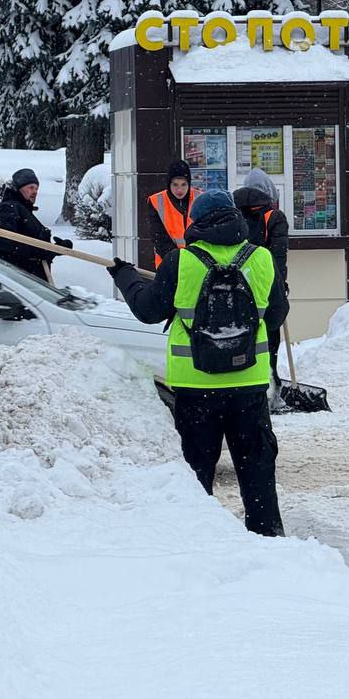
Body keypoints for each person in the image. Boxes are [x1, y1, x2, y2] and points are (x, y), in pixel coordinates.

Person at [109, 189, 289, 537]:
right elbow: (277, 315)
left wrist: (125, 276)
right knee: (257, 471)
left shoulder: (182, 262)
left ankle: (198, 541)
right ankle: (269, 541)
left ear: (196, 223)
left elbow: (148, 310)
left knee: (197, 472)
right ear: (234, 219)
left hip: (196, 389)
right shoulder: (262, 258)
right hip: (249, 385)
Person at [0, 168, 71, 278]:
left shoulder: (22, 209)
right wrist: (45, 251)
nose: (35, 192)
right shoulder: (9, 207)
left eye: (37, 188)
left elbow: (29, 242)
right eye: (31, 187)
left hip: (28, 279)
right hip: (18, 279)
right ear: (19, 188)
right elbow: (4, 243)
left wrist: (56, 248)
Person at [234, 168, 290, 286]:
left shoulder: (234, 213)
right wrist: (280, 284)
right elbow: (278, 255)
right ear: (269, 191)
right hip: (264, 279)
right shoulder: (274, 216)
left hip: (237, 280)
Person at [147, 160, 198, 268]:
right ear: (168, 184)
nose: (179, 190)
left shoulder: (200, 198)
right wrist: (178, 261)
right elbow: (159, 237)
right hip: (168, 263)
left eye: (184, 184)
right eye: (175, 185)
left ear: (189, 183)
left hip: (196, 262)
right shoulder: (156, 201)